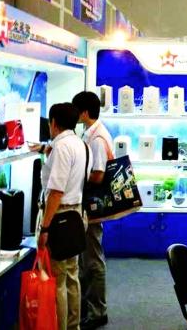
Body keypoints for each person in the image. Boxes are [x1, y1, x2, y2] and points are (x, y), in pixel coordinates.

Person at [38, 102, 93, 330]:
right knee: (72, 274)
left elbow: (56, 192)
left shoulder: (61, 148)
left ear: (53, 123)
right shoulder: (82, 145)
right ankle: (73, 325)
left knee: (59, 278)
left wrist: (45, 227)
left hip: (59, 216)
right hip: (76, 215)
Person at [72, 91, 114, 330]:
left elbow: (97, 174)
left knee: (93, 259)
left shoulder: (97, 138)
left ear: (85, 112)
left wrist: (74, 177)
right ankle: (91, 308)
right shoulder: (93, 133)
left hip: (92, 205)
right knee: (88, 258)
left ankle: (98, 312)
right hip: (90, 205)